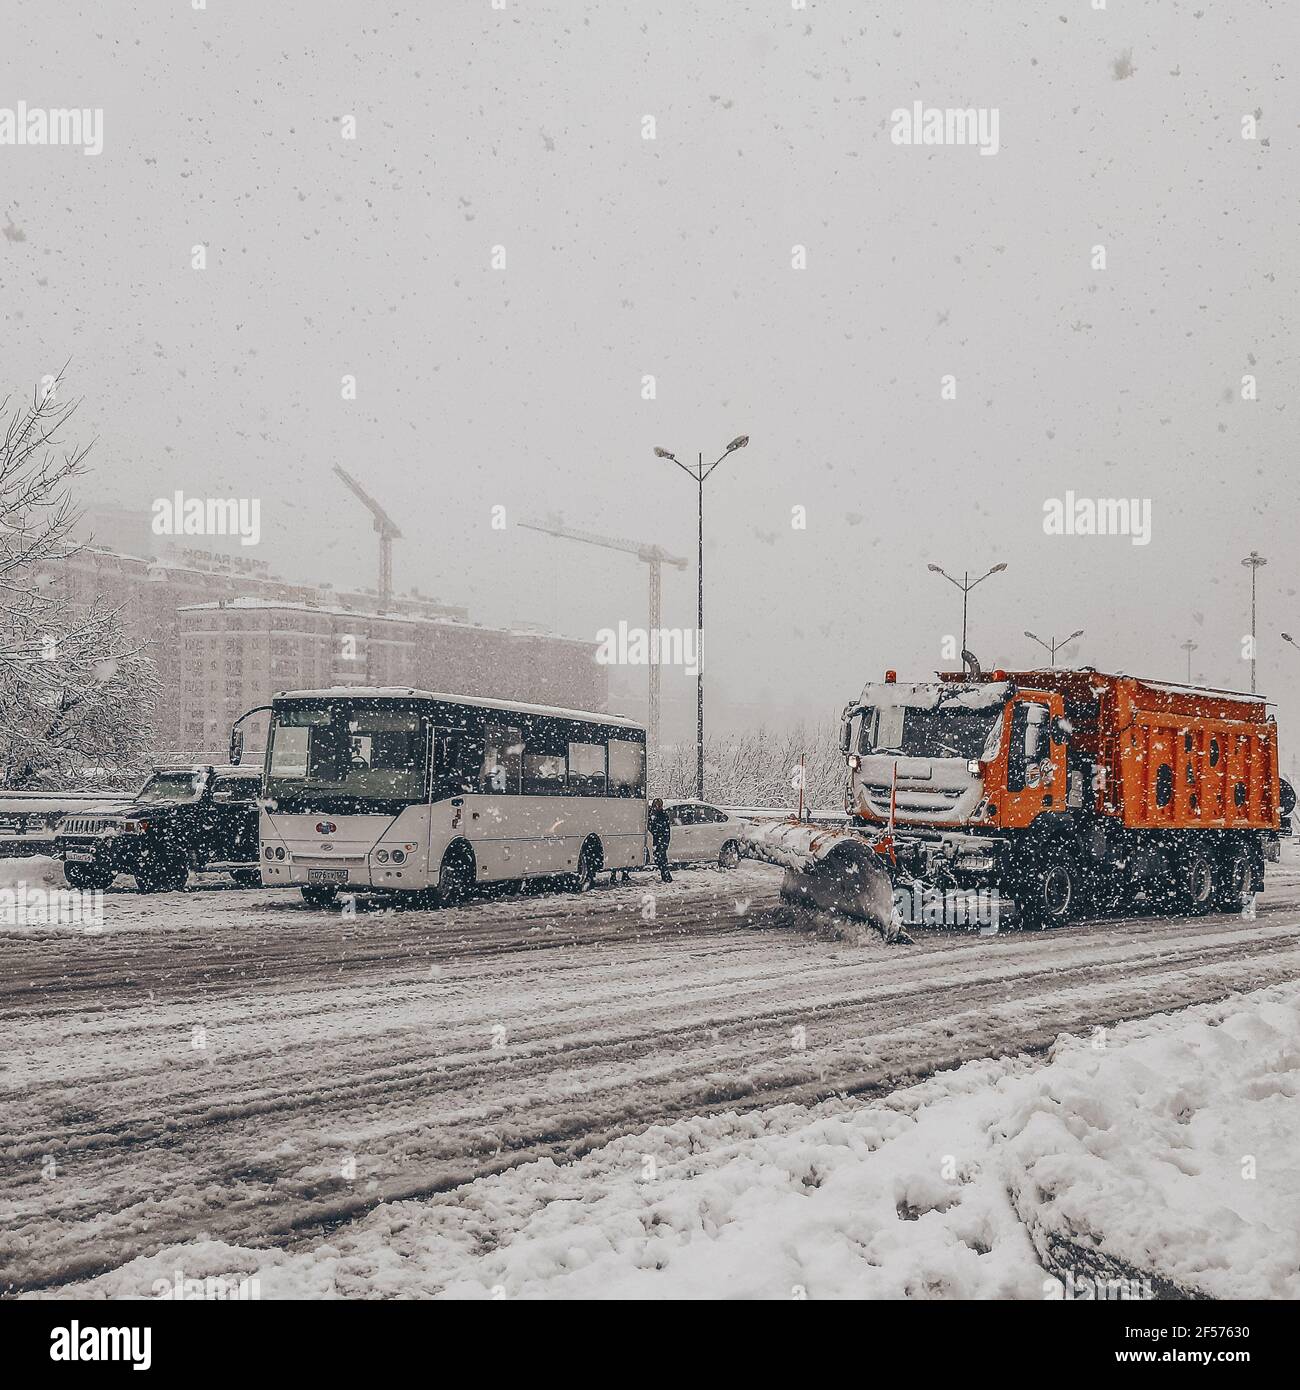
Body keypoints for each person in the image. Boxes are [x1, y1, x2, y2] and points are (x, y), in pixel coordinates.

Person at [648, 797, 672, 883]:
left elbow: (660, 828)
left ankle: (666, 876)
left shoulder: (663, 815)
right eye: (655, 806)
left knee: (661, 858)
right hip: (659, 839)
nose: (656, 807)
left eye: (658, 806)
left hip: (662, 839)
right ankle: (665, 875)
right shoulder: (655, 814)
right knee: (659, 858)